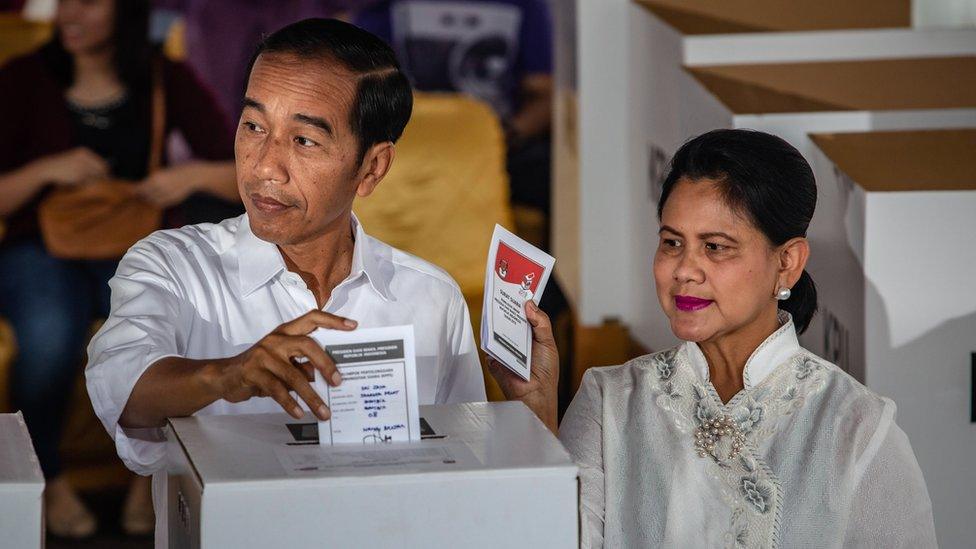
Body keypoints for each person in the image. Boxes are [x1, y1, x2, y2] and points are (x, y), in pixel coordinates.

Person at [85, 18, 487, 543]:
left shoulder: (429, 298)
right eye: (253, 127)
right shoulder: (173, 266)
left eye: (303, 140)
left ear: (371, 169)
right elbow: (121, 386)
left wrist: (534, 407)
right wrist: (228, 376)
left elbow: (469, 479)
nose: (264, 167)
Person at [491, 129, 937, 547]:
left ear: (787, 262)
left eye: (715, 247)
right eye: (671, 243)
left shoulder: (856, 428)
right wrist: (535, 408)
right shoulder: (610, 401)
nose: (684, 269)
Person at [0, 0, 238, 538]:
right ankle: (47, 482)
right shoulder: (22, 78)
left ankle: (148, 477)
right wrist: (45, 171)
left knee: (174, 331)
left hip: (134, 246)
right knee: (48, 336)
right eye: (63, 2)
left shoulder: (164, 76)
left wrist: (189, 176)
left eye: (87, 2)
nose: (68, 14)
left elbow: (240, 173)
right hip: (37, 247)